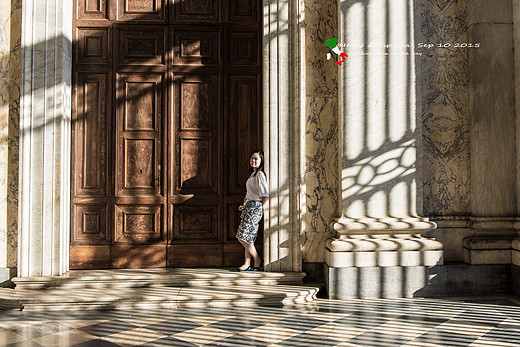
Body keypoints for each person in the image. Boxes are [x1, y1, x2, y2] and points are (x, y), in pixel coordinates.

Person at [235, 150, 269, 271]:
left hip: (255, 207)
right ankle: (247, 263)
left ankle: (257, 259)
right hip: (248, 207)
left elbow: (265, 194)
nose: (253, 161)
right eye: (252, 158)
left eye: (256, 159)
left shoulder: (260, 175)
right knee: (248, 237)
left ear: (261, 161)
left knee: (242, 237)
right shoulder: (253, 174)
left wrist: (262, 208)